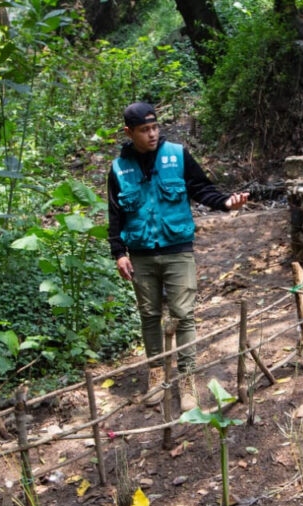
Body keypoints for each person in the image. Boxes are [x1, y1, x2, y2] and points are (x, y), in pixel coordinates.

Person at [108, 102, 249, 411]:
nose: (153, 134)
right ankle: (158, 373)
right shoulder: (119, 169)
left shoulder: (177, 155)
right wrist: (119, 253)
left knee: (184, 315)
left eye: (155, 127)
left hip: (178, 250)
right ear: (129, 132)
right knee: (149, 316)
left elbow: (201, 189)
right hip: (141, 255)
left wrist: (227, 202)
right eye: (144, 130)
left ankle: (186, 379)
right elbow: (115, 215)